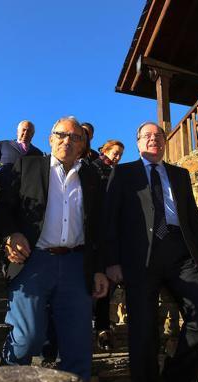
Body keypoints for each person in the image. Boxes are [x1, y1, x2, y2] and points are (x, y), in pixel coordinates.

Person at [0, 116, 109, 382]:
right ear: (50, 139)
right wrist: (10, 234)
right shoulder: (27, 165)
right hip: (33, 262)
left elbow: (99, 227)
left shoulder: (92, 176)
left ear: (82, 145)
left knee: (78, 344)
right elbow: (2, 208)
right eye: (61, 135)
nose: (67, 140)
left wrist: (100, 269)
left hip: (76, 264)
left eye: (75, 137)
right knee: (28, 336)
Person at [103, 122, 198, 382]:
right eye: (147, 135)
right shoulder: (122, 173)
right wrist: (111, 261)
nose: (153, 139)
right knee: (143, 331)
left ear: (164, 142)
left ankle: (173, 379)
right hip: (140, 257)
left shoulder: (180, 175)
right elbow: (109, 219)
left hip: (181, 254)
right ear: (138, 142)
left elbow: (192, 218)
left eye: (158, 136)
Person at [91, 139, 124, 350]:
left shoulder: (119, 174)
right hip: (93, 234)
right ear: (105, 150)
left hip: (112, 235)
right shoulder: (93, 168)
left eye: (120, 154)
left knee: (107, 286)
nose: (117, 157)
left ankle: (102, 327)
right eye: (115, 152)